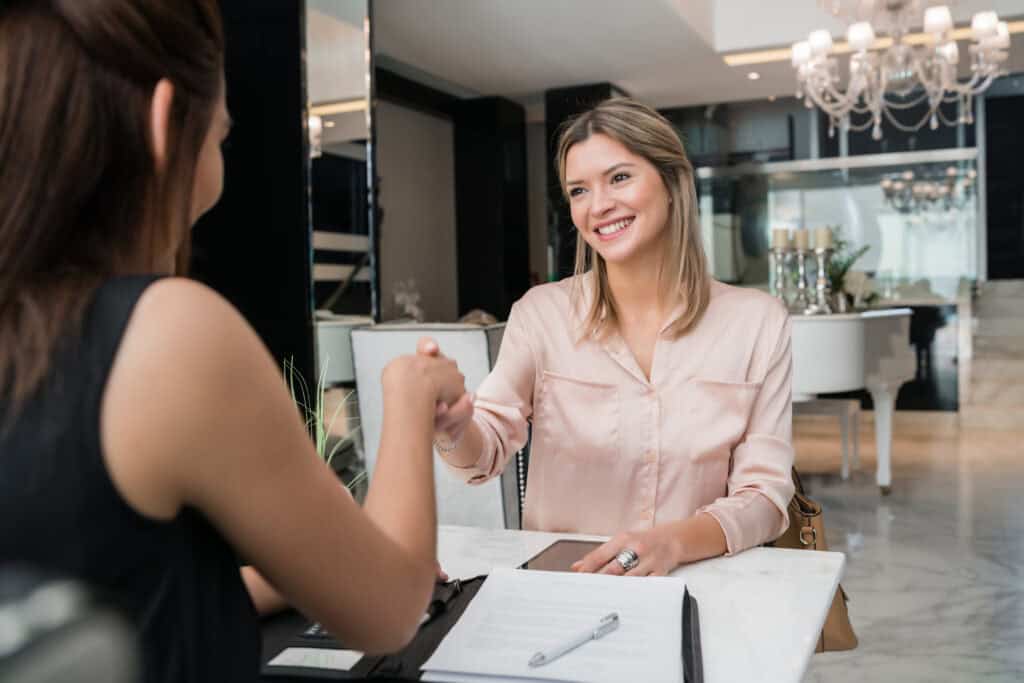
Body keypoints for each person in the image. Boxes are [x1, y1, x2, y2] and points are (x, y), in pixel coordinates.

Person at [0, 2, 467, 680]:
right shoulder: (163, 333)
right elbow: (393, 605)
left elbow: (102, 589)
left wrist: (298, 564)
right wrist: (410, 391)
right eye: (219, 136)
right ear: (163, 122)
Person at [430, 98, 796, 577]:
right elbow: (486, 452)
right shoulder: (542, 314)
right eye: (578, 190)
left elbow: (766, 497)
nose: (598, 206)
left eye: (619, 178)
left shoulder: (758, 323)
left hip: (698, 582)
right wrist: (454, 429)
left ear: (673, 183)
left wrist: (673, 543)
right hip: (565, 585)